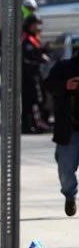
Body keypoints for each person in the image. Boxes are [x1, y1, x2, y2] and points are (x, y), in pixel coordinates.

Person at [43, 50, 79, 216]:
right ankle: (70, 196)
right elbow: (48, 85)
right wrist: (65, 85)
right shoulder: (64, 67)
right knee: (65, 169)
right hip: (69, 129)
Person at [22, 14, 50, 133]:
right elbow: (29, 55)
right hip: (29, 75)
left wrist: (44, 50)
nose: (37, 27)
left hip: (35, 73)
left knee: (38, 99)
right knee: (33, 100)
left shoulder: (33, 38)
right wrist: (41, 57)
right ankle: (32, 124)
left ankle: (35, 123)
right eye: (35, 25)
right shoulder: (26, 39)